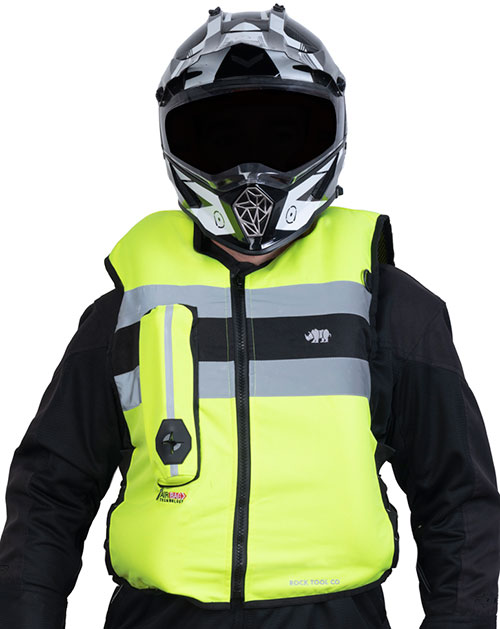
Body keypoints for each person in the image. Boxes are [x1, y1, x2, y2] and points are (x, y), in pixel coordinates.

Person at [0, 5, 499, 629]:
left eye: (283, 133)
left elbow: (458, 499)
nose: (251, 168)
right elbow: (49, 495)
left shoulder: (387, 305)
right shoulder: (126, 310)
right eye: (220, 136)